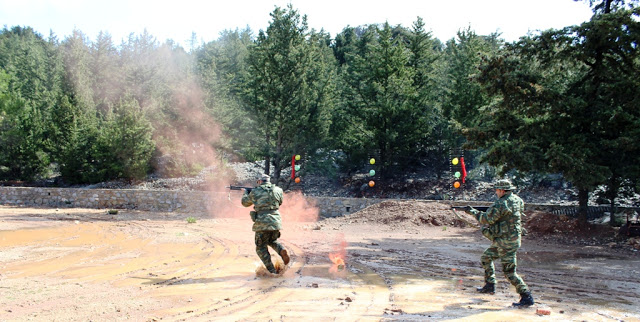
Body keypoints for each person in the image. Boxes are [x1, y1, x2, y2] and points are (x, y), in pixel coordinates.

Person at [467, 179, 534, 307]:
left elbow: (486, 219)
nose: (496, 192)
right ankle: (490, 285)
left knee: (509, 272)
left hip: (505, 242)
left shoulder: (501, 204)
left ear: (502, 191)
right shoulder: (518, 200)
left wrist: (471, 211)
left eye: (497, 190)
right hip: (510, 239)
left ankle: (526, 296)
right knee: (486, 258)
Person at [241, 173, 290, 274]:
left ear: (259, 181)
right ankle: (282, 250)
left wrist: (246, 193)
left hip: (262, 223)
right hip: (275, 221)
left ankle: (271, 271)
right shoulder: (278, 190)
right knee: (272, 240)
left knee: (261, 247)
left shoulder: (255, 192)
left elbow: (245, 203)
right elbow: (279, 202)